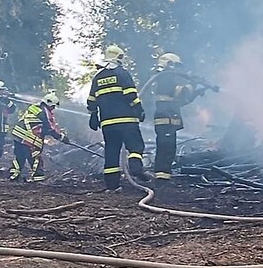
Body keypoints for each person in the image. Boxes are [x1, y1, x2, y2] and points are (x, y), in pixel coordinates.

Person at [87, 45, 150, 191]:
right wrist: (139, 110)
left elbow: (91, 100)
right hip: (127, 120)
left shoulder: (97, 77)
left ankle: (112, 186)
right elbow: (131, 94)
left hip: (108, 123)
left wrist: (93, 115)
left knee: (111, 152)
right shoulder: (122, 73)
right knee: (135, 146)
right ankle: (135, 167)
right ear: (118, 57)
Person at [151, 52, 205, 181]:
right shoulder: (165, 77)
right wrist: (193, 83)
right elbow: (183, 92)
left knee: (168, 149)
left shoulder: (163, 78)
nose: (177, 70)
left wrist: (197, 92)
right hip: (166, 119)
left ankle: (163, 178)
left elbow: (180, 101)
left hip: (169, 119)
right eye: (176, 66)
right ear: (170, 64)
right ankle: (161, 180)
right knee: (166, 149)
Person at [10, 92, 67, 182]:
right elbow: (50, 128)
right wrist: (61, 138)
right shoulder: (44, 112)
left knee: (19, 156)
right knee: (35, 156)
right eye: (53, 106)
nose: (53, 109)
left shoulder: (35, 108)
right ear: (49, 104)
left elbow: (40, 126)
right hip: (28, 137)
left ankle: (14, 174)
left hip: (18, 134)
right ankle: (38, 177)